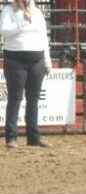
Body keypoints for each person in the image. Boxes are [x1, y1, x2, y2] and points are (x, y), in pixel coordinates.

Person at [0, 0, 52, 149]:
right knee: (14, 99)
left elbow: (43, 38)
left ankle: (34, 138)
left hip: (37, 60)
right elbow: (3, 31)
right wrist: (22, 23)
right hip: (15, 59)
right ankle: (11, 138)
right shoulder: (8, 10)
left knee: (33, 100)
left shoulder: (37, 13)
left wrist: (47, 61)